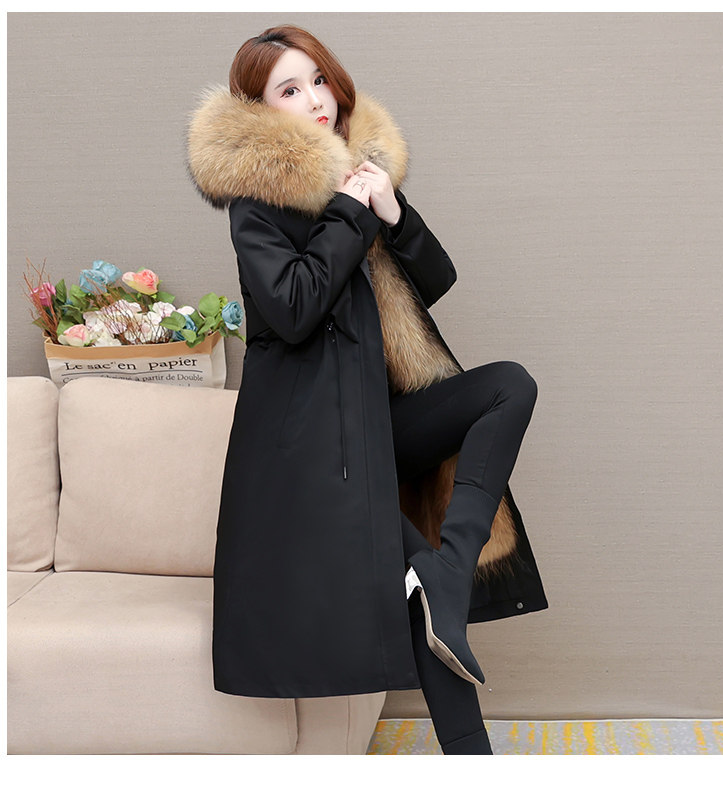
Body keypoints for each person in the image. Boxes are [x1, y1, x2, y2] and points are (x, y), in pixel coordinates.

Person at [186, 24, 548, 756]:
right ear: (259, 109)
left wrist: (391, 210)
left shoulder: (355, 175)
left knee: (508, 386)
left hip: (375, 428)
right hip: (313, 453)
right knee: (419, 597)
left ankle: (453, 564)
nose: (315, 99)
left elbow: (436, 280)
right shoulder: (258, 202)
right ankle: (473, 753)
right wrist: (349, 214)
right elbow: (293, 308)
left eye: (319, 79)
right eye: (290, 89)